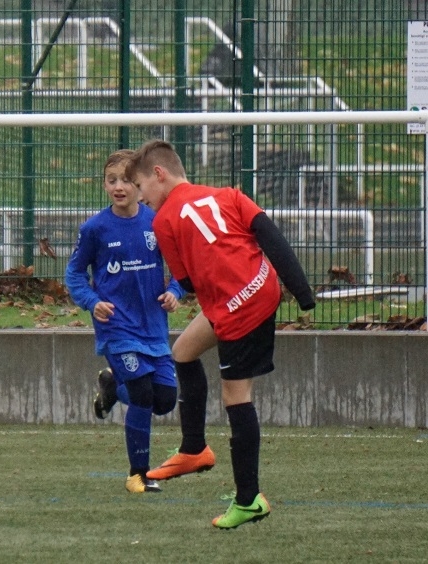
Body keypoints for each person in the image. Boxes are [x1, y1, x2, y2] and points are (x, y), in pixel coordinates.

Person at [126, 139, 315, 529]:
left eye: (141, 187)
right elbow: (270, 235)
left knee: (236, 396)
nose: (141, 198)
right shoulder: (227, 195)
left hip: (239, 307)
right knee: (183, 351)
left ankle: (249, 500)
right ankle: (194, 449)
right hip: (259, 287)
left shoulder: (163, 221)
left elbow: (185, 282)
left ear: (159, 174)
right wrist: (302, 292)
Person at [65, 149, 186, 494]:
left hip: (153, 327)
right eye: (111, 180)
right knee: (143, 394)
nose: (119, 187)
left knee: (164, 399)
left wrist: (175, 291)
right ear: (105, 184)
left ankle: (112, 389)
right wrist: (93, 302)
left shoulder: (157, 222)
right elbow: (74, 274)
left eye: (127, 181)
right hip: (117, 327)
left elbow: (181, 266)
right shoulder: (95, 228)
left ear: (140, 184)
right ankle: (138, 475)